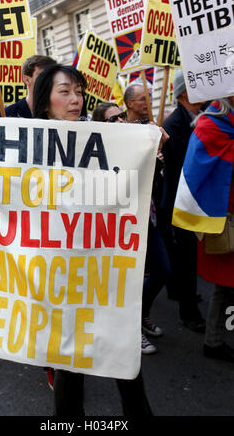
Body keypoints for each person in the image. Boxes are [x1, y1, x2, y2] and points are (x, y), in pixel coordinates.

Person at [32, 64, 152, 417]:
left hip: (103, 265)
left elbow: (125, 188)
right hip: (60, 274)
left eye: (79, 92)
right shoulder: (28, 145)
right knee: (70, 360)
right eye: (65, 91)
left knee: (122, 350)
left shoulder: (101, 136)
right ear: (45, 101)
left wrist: (148, 157)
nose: (75, 99)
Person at [93, 101, 171, 355]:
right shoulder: (97, 153)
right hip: (117, 227)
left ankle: (141, 314)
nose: (119, 121)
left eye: (121, 116)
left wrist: (156, 155)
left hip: (145, 220)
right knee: (126, 281)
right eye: (111, 119)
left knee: (162, 270)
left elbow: (150, 185)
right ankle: (130, 330)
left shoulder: (138, 144)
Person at [173, 98, 234, 361]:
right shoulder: (210, 123)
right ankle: (214, 341)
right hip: (224, 218)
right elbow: (200, 166)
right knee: (226, 285)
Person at [160, 69, 206, 333]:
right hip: (180, 201)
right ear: (184, 93)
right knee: (185, 258)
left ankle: (190, 295)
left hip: (197, 197)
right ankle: (188, 313)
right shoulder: (173, 125)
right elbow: (181, 165)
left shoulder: (204, 115)